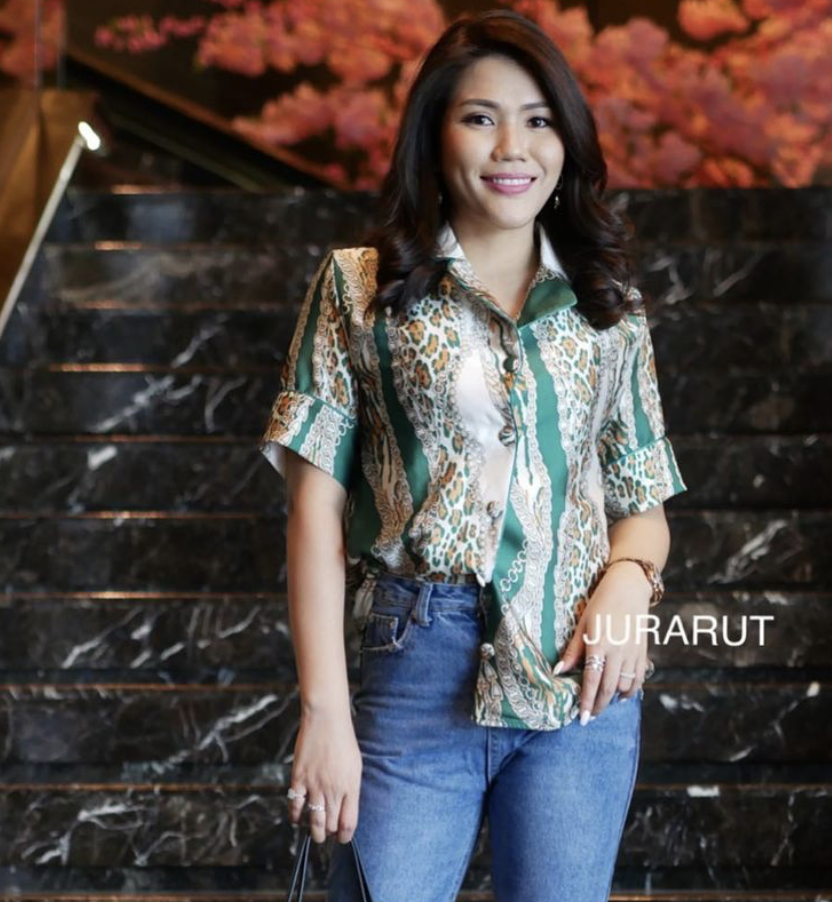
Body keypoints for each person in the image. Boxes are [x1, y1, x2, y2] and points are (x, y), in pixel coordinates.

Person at [258, 9, 687, 902]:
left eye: (539, 120)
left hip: (580, 675)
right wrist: (324, 713)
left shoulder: (608, 306)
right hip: (417, 656)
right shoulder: (358, 287)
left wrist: (628, 580)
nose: (512, 147)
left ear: (566, 141)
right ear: (435, 133)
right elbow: (314, 512)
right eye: (481, 117)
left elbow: (642, 506)